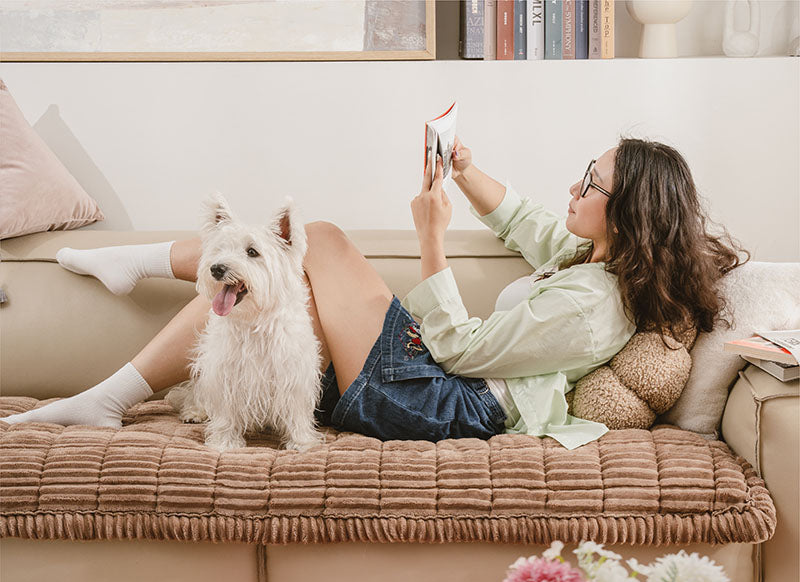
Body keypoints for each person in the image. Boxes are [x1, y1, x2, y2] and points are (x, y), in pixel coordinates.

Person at [2, 137, 748, 449]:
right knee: (286, 271)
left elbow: (464, 351)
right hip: (434, 376)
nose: (576, 187)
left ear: (627, 212)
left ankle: (116, 360)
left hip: (445, 401)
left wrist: (430, 237)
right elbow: (524, 221)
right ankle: (121, 333)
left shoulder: (591, 306)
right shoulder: (591, 258)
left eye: (592, 183)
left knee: (317, 241)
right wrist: (462, 168)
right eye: (585, 171)